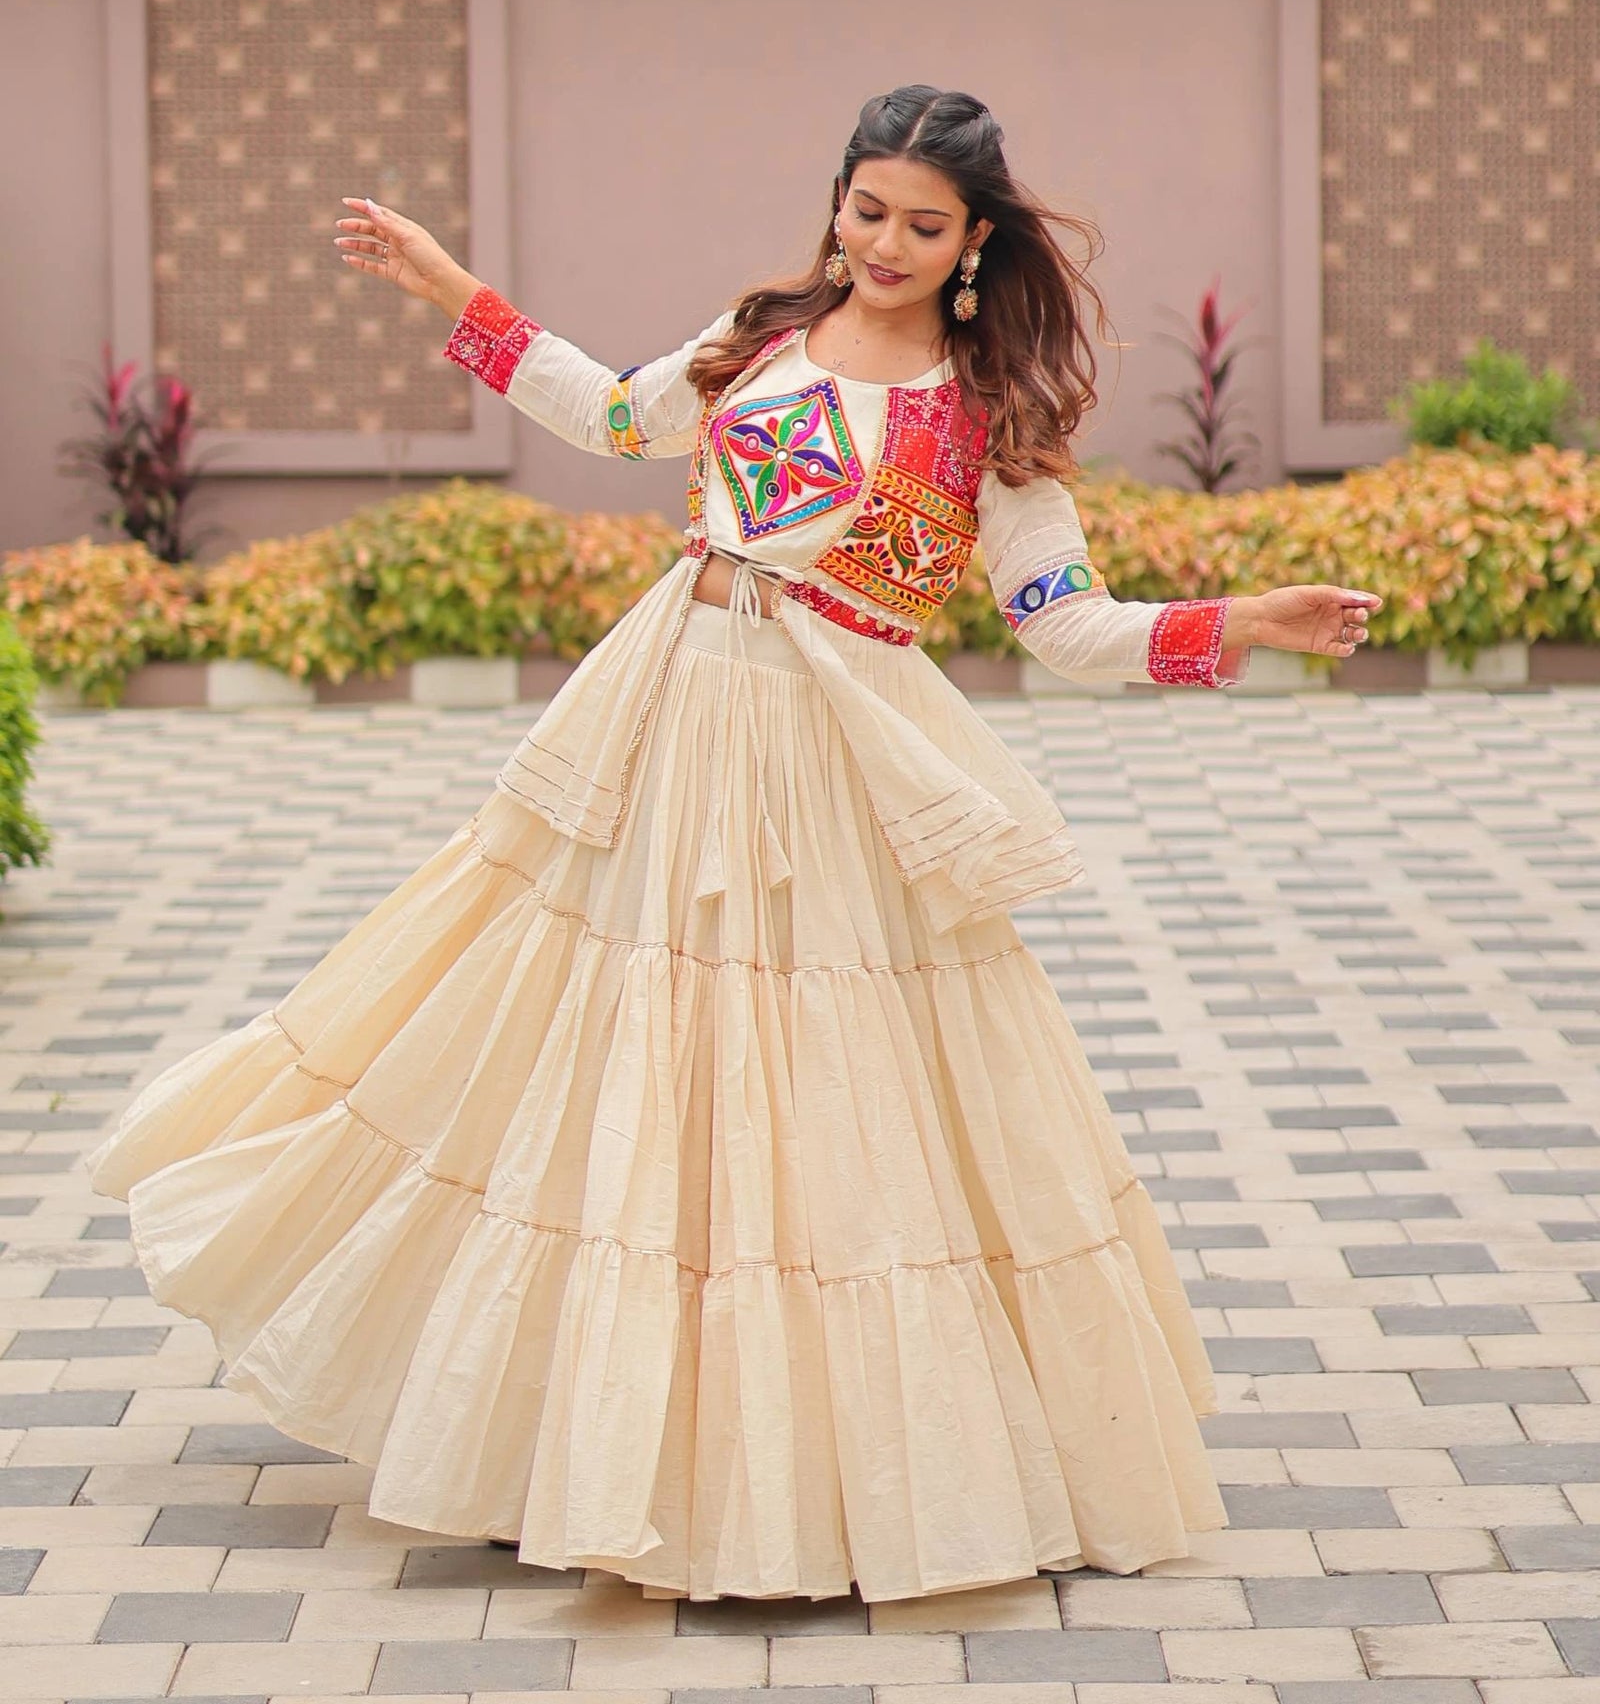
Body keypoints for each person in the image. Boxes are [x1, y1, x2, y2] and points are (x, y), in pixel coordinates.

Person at [87, 85, 1380, 1605]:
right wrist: (450, 288)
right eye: (867, 207)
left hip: (837, 767)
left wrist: (1236, 624)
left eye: (923, 223)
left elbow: (1067, 626)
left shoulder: (989, 417)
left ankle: (811, 1479)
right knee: (620, 1066)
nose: (885, 242)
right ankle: (576, 1437)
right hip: (670, 723)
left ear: (976, 242)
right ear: (836, 200)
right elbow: (613, 414)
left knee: (824, 1092)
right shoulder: (762, 338)